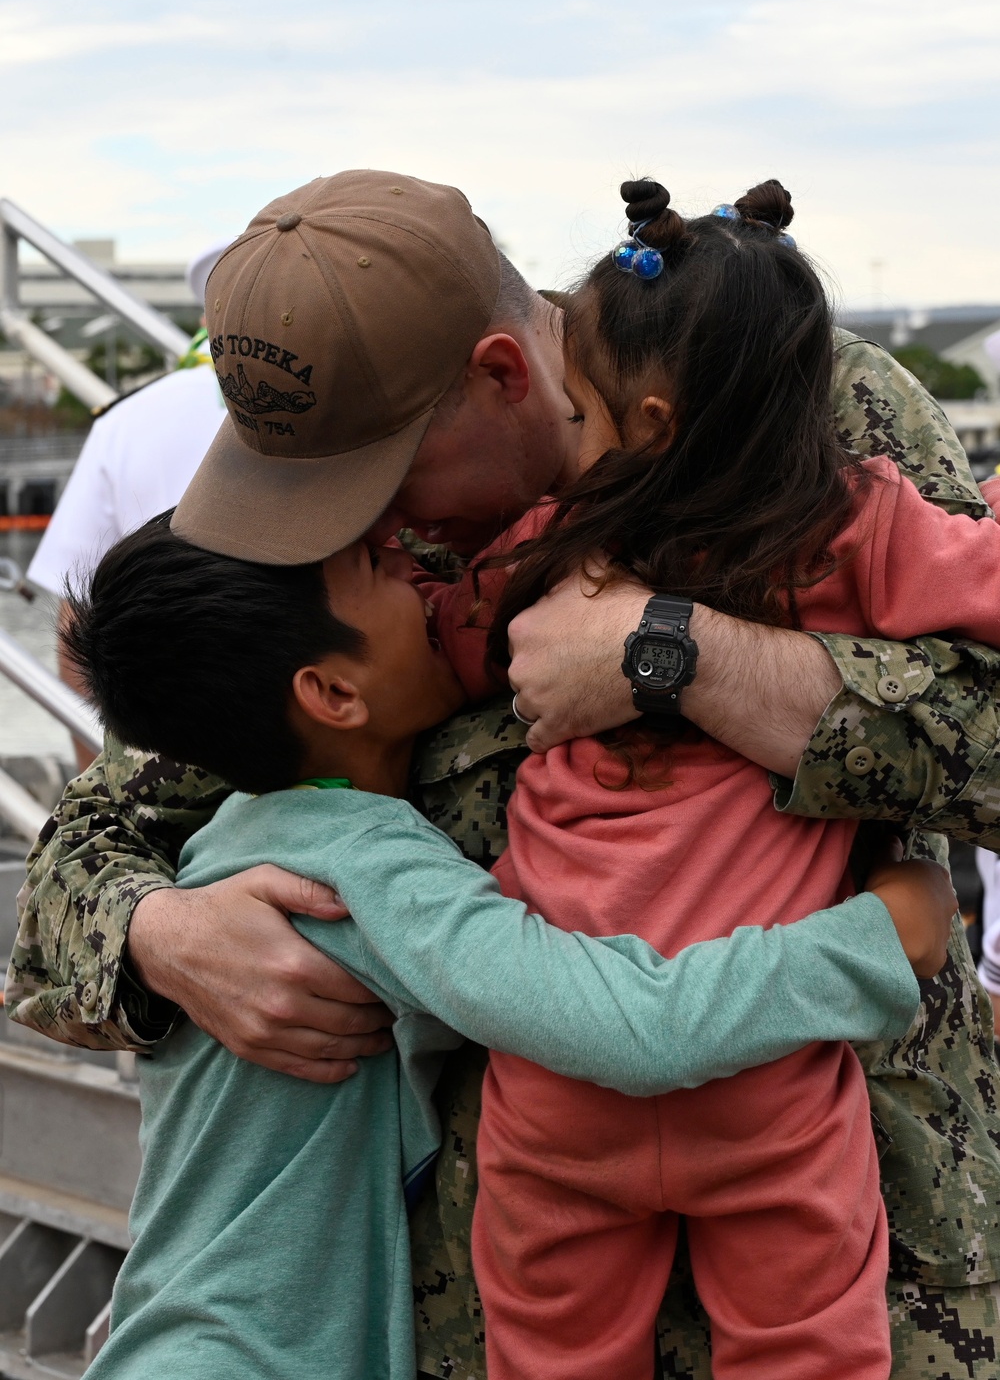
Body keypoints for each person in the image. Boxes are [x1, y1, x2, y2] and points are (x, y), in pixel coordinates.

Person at [7, 171, 1000, 1378]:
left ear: (499, 373)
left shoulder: (777, 385)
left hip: (850, 1267)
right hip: (523, 1295)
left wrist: (674, 655)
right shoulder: (334, 540)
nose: (355, 531)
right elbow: (85, 850)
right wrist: (160, 934)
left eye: (374, 479)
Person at [60, 511, 947, 1379]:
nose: (419, 572)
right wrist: (876, 938)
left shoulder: (236, 837)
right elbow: (635, 1028)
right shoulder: (355, 865)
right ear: (333, 693)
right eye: (378, 570)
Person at [421, 179, 1000, 1379]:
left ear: (646, 419)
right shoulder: (853, 525)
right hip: (774, 1071)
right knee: (809, 1349)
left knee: (551, 1353)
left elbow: (443, 646)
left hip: (556, 1074)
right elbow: (980, 581)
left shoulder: (553, 542)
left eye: (574, 419)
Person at [27, 239, 230, 766]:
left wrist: (103, 784)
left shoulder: (128, 420)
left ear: (209, 314)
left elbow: (76, 621)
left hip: (163, 764)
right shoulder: (371, 412)